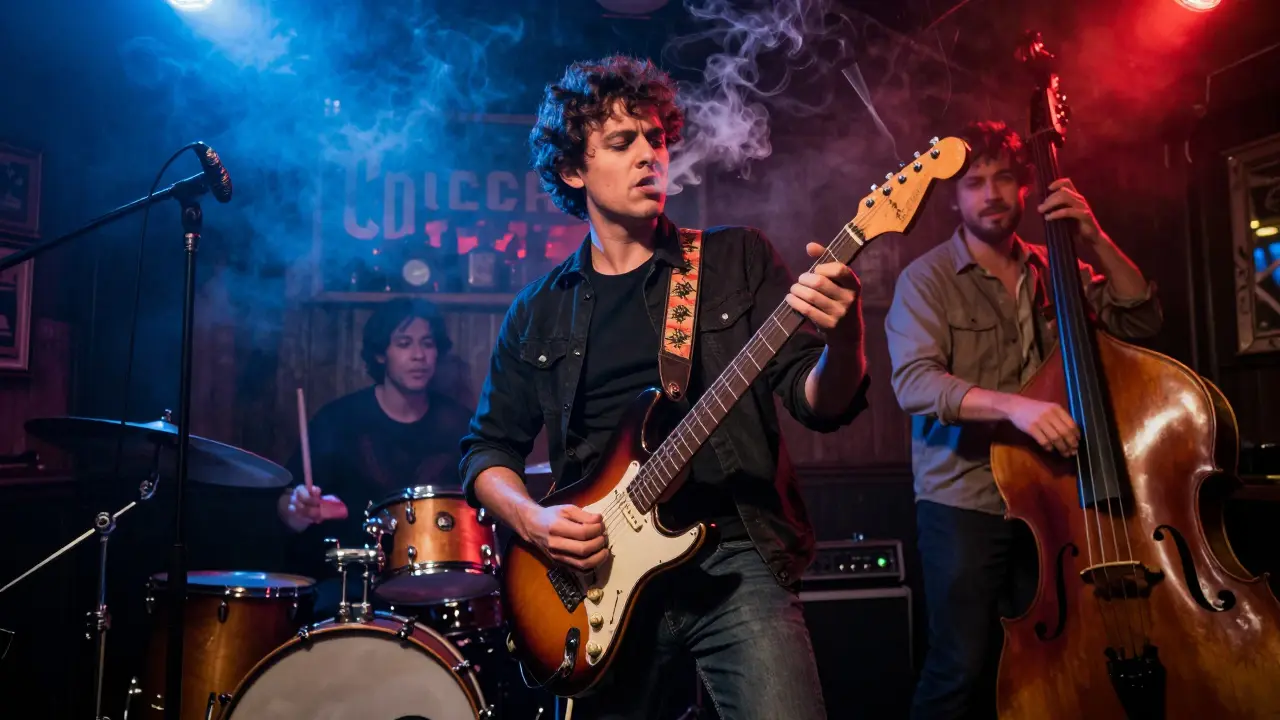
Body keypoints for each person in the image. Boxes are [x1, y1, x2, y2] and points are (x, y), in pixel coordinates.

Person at [458, 55, 870, 720]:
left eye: (658, 139)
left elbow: (817, 402)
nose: (651, 155)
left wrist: (847, 339)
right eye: (623, 143)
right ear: (572, 170)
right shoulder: (538, 312)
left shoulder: (738, 259)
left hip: (734, 561)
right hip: (596, 584)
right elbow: (485, 453)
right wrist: (534, 520)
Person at [885, 120, 1163, 719]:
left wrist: (1092, 236)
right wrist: (1015, 404)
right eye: (974, 182)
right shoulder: (926, 281)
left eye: (1004, 178)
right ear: (954, 198)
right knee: (961, 666)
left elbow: (1140, 320)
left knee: (1053, 660)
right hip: (965, 502)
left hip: (1051, 498)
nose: (991, 194)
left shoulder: (1052, 268)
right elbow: (914, 383)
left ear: (1025, 186)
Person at [278, 297, 473, 616]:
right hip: (348, 583)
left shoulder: (459, 424)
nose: (419, 356)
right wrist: (299, 507)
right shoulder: (338, 420)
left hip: (435, 585)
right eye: (404, 343)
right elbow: (286, 504)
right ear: (381, 353)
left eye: (428, 343)